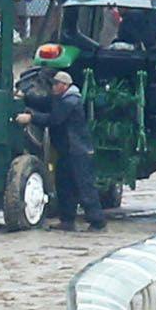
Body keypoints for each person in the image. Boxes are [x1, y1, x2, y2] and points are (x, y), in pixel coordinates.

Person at [47, 69, 101, 229]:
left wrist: (32, 117)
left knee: (84, 186)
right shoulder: (64, 99)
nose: (53, 87)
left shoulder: (70, 102)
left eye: (55, 84)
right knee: (64, 186)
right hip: (67, 151)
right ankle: (67, 221)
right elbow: (46, 102)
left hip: (77, 151)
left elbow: (54, 119)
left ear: (64, 86)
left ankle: (97, 222)